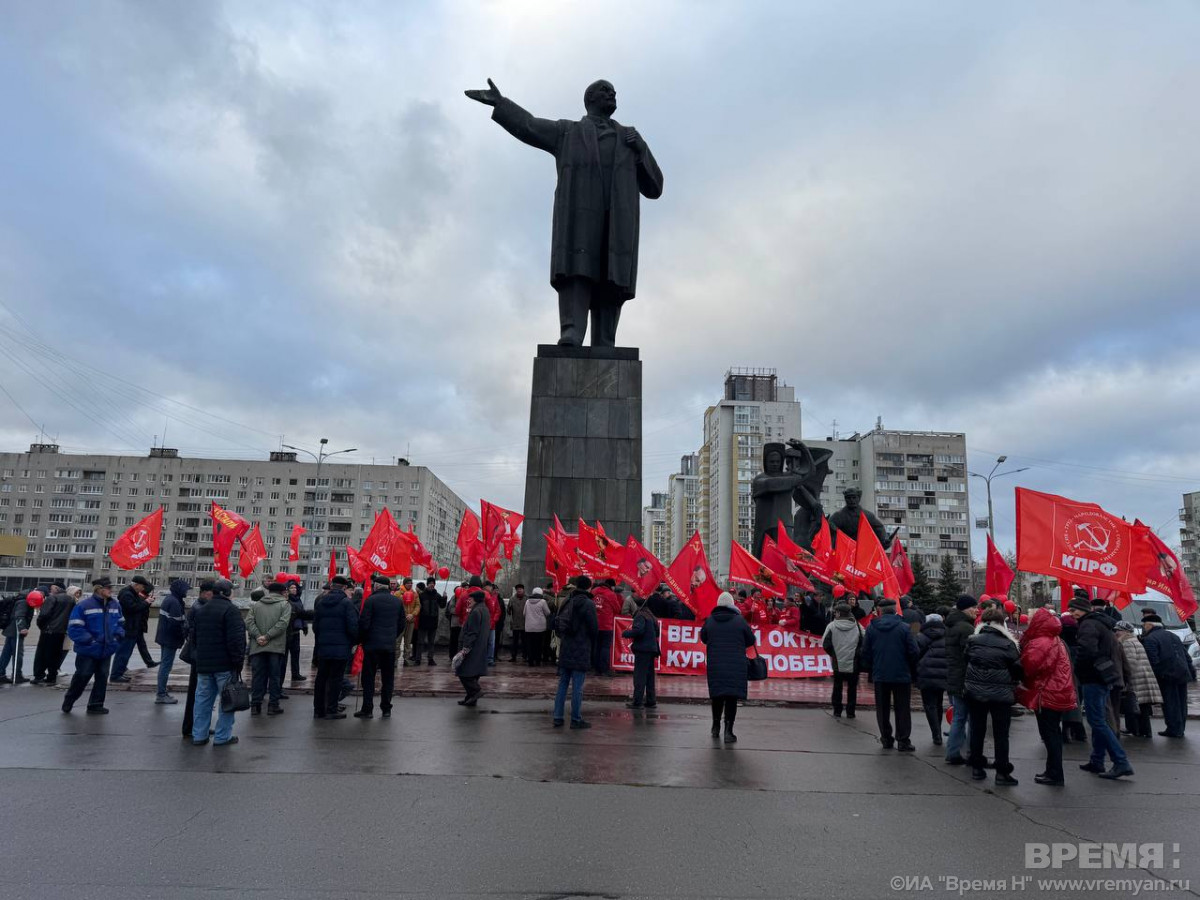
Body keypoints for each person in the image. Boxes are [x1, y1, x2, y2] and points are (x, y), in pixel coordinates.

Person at [1066, 594, 1134, 778]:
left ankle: (1121, 761)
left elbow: (1086, 651)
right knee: (1099, 719)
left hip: (1094, 677)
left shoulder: (1088, 625)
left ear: (1084, 609)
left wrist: (1079, 671)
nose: (1071, 614)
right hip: (1105, 676)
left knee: (1097, 721)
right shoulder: (1102, 624)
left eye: (1074, 610)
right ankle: (1097, 761)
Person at [1016, 607, 1078, 786]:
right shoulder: (1055, 640)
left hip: (1046, 693)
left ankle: (1055, 773)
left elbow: (1030, 667)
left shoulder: (1041, 642)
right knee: (1054, 734)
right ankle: (1052, 770)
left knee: (1050, 735)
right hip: (1058, 691)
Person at [964, 607, 1022, 785]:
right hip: (1001, 694)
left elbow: (966, 659)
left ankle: (977, 768)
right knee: (1001, 734)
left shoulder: (973, 640)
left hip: (975, 692)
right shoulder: (1008, 644)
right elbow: (1017, 668)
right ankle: (1002, 773)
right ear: (1001, 623)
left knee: (977, 730)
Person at [189, 579, 245, 746]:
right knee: (228, 701)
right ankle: (222, 737)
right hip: (224, 664)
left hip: (204, 664)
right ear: (226, 593)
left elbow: (194, 638)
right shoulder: (231, 610)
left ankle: (199, 735)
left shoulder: (201, 610)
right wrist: (238, 663)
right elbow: (236, 641)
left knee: (202, 701)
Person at [861, 598, 919, 750]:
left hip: (880, 674)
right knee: (902, 708)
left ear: (880, 611)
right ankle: (903, 740)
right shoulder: (905, 627)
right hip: (901, 674)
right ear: (895, 610)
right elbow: (914, 651)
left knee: (882, 708)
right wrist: (910, 667)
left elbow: (865, 652)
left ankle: (886, 738)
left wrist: (872, 668)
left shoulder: (872, 628)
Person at [62, 577, 125, 714]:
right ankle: (69, 700)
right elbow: (74, 627)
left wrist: (117, 637)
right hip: (88, 649)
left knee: (102, 677)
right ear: (99, 589)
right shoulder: (84, 606)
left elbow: (120, 623)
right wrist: (90, 641)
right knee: (82, 675)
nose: (111, 590)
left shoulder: (115, 605)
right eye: (108, 588)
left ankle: (95, 705)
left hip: (107, 649)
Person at [700, 592, 756, 743]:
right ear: (732, 604)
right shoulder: (739, 621)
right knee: (731, 697)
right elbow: (751, 640)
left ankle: (715, 726)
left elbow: (703, 637)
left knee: (717, 696)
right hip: (735, 665)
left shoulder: (710, 620)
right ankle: (728, 732)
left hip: (715, 665)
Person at [553, 575, 599, 728]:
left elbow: (558, 621)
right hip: (581, 647)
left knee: (563, 684)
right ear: (588, 587)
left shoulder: (567, 600)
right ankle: (576, 719)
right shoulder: (588, 603)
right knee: (577, 687)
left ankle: (558, 717)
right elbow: (593, 628)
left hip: (566, 646)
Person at [1141, 613, 1196, 738]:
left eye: (1144, 625)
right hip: (1182, 673)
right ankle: (1180, 728)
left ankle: (1174, 729)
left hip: (1167, 675)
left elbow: (1153, 660)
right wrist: (1191, 671)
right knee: (1181, 702)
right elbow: (1186, 656)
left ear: (1149, 625)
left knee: (1170, 703)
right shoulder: (1173, 635)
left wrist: (1157, 675)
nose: (1144, 627)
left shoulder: (1150, 639)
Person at [312, 576, 359, 720]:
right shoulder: (347, 603)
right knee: (336, 679)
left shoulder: (321, 602)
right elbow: (353, 627)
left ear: (332, 586)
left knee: (321, 678)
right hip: (341, 649)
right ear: (344, 588)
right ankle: (331, 709)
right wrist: (353, 642)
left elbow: (315, 626)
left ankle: (319, 710)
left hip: (323, 647)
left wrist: (321, 640)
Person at [356, 573, 402, 718]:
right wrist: (392, 636)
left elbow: (364, 623)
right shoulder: (397, 601)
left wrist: (362, 639)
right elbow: (401, 624)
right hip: (389, 646)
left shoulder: (371, 600)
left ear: (376, 586)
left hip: (372, 646)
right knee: (388, 678)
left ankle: (367, 709)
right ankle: (386, 709)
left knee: (368, 678)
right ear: (388, 587)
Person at [246, 581, 292, 717]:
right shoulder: (285, 605)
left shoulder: (257, 605)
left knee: (258, 677)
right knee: (274, 677)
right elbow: (283, 624)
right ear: (282, 592)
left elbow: (249, 622)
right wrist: (267, 636)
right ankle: (273, 705)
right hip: (275, 648)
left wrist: (259, 636)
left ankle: (255, 705)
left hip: (257, 646)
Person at [943, 595, 978, 765]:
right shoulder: (966, 628)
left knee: (959, 716)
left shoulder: (952, 625)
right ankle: (973, 753)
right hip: (966, 678)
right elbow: (971, 654)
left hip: (955, 676)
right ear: (965, 608)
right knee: (971, 718)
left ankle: (953, 752)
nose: (976, 610)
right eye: (973, 607)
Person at [1113, 621, 1160, 739]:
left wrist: (1125, 678)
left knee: (1133, 705)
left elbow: (1130, 663)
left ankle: (1136, 730)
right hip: (1143, 677)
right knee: (1142, 706)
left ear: (1126, 632)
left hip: (1136, 679)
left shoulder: (1127, 643)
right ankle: (1144, 731)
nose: (1116, 632)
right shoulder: (1134, 640)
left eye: (1119, 630)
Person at [180, 580, 214, 737]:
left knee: (199, 693)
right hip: (198, 655)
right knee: (197, 693)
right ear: (206, 593)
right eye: (212, 593)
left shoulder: (198, 606)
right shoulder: (200, 608)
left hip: (197, 654)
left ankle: (196, 726)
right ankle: (191, 727)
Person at [821, 603, 864, 718]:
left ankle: (837, 710)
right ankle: (851, 711)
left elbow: (825, 644)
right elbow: (864, 642)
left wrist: (834, 654)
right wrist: (857, 654)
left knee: (837, 686)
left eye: (836, 612)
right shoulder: (858, 626)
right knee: (852, 687)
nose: (835, 614)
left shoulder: (831, 626)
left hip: (837, 662)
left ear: (840, 613)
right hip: (853, 662)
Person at [110, 575, 155, 682]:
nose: (143, 589)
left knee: (126, 653)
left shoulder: (132, 593)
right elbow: (132, 608)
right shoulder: (126, 594)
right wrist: (146, 602)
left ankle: (120, 672)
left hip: (133, 627)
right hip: (128, 627)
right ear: (136, 585)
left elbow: (139, 607)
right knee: (123, 652)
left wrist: (146, 602)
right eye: (142, 586)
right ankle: (116, 675)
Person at [456, 577, 491, 707]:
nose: (468, 600)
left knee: (463, 672)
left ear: (475, 599)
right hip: (480, 646)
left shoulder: (476, 611)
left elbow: (472, 632)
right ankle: (470, 699)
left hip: (473, 647)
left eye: (470, 599)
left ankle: (476, 691)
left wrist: (465, 648)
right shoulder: (484, 609)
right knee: (474, 674)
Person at [153, 579, 188, 704]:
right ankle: (161, 694)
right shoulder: (174, 602)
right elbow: (176, 624)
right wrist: (184, 636)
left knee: (165, 665)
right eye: (185, 590)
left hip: (165, 637)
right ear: (179, 590)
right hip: (170, 639)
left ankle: (162, 692)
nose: (186, 592)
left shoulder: (171, 599)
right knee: (166, 666)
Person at [915, 612, 948, 745]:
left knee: (929, 705)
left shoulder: (921, 636)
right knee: (938, 703)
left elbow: (915, 654)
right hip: (942, 674)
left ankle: (936, 734)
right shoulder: (947, 635)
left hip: (925, 674)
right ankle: (938, 729)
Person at [32, 581, 73, 685]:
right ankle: (52, 677)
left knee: (42, 654)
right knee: (55, 655)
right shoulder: (71, 600)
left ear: (56, 588)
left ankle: (39, 675)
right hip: (61, 631)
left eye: (52, 588)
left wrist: (41, 626)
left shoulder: (52, 598)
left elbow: (44, 614)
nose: (50, 589)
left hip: (48, 630)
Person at [623, 595, 660, 709]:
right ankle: (651, 700)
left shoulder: (640, 615)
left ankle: (637, 702)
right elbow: (657, 633)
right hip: (651, 649)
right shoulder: (651, 615)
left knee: (639, 676)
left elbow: (638, 631)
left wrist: (626, 633)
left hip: (643, 649)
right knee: (649, 677)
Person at [0, 589, 33, 684]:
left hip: (11, 630)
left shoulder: (20, 599)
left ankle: (1, 674)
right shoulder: (24, 602)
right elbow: (19, 615)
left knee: (6, 653)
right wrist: (22, 628)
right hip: (16, 631)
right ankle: (17, 675)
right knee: (18, 653)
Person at [592, 578, 622, 675]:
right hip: (606, 625)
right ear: (612, 586)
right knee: (605, 647)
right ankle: (604, 669)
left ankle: (596, 669)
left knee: (596, 646)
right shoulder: (611, 594)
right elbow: (617, 609)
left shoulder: (594, 591)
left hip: (594, 624)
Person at [417, 577, 445, 666]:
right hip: (423, 622)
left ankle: (430, 658)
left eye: (433, 583)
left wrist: (444, 598)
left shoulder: (437, 595)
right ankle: (418, 659)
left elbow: (442, 606)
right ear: (427, 584)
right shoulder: (421, 595)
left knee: (431, 642)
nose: (431, 585)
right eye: (430, 583)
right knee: (420, 642)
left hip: (433, 622)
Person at [285, 581, 309, 683]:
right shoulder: (286, 600)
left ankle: (296, 673)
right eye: (291, 588)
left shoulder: (298, 600)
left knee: (296, 654)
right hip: (288, 631)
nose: (294, 589)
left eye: (295, 588)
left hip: (296, 631)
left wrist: (304, 626)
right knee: (285, 655)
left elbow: (302, 614)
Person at [523, 587, 552, 666]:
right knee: (538, 645)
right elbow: (548, 612)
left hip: (529, 627)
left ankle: (530, 661)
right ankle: (538, 660)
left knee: (530, 645)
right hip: (540, 627)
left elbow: (524, 613)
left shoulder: (527, 601)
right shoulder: (543, 601)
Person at [397, 578, 420, 666]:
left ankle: (406, 659)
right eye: (408, 583)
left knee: (408, 641)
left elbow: (418, 605)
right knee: (398, 641)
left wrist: (412, 614)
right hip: (401, 621)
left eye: (411, 583)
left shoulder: (415, 594)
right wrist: (404, 615)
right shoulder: (398, 593)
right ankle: (395, 659)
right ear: (404, 584)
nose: (410, 585)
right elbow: (396, 606)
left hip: (411, 621)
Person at [507, 584, 528, 663]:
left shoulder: (527, 599)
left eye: (521, 589)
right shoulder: (512, 599)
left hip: (525, 624)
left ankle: (525, 656)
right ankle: (513, 656)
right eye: (518, 589)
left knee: (525, 641)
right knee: (514, 642)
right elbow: (508, 612)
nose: (519, 590)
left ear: (523, 590)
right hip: (515, 623)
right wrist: (509, 608)